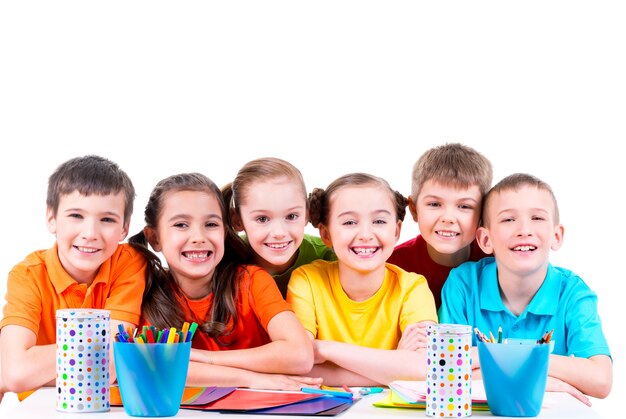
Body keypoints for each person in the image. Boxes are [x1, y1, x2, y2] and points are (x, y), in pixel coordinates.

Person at [129, 172, 321, 390]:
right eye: (181, 225)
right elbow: (158, 368)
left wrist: (203, 358)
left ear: (225, 230)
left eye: (211, 224)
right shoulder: (150, 294)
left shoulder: (251, 280)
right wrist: (251, 379)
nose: (199, 237)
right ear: (155, 238)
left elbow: (299, 355)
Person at [439, 173, 612, 404]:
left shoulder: (572, 292)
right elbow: (445, 368)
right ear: (485, 239)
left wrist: (520, 364)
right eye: (508, 219)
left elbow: (601, 380)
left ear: (556, 235)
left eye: (537, 218)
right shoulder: (463, 283)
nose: (524, 230)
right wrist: (540, 379)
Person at [0, 155, 146, 400]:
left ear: (125, 227)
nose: (90, 233)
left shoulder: (128, 263)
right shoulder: (28, 275)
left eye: (107, 219)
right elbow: (15, 374)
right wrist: (95, 359)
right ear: (52, 218)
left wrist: (33, 367)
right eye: (76, 216)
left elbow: (111, 362)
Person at [287, 173, 438, 386]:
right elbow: (298, 365)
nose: (366, 234)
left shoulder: (413, 287)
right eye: (349, 222)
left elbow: (427, 367)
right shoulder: (307, 281)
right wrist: (394, 368)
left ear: (396, 231)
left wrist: (326, 349)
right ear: (326, 234)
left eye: (379, 221)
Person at [388, 142, 493, 310]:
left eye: (464, 206)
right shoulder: (392, 266)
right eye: (435, 204)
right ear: (414, 210)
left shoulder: (498, 263)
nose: (448, 218)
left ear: (483, 214)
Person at [223, 157, 335, 297]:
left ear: (307, 214)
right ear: (238, 220)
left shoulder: (329, 257)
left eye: (291, 216)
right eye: (262, 219)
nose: (279, 233)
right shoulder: (224, 260)